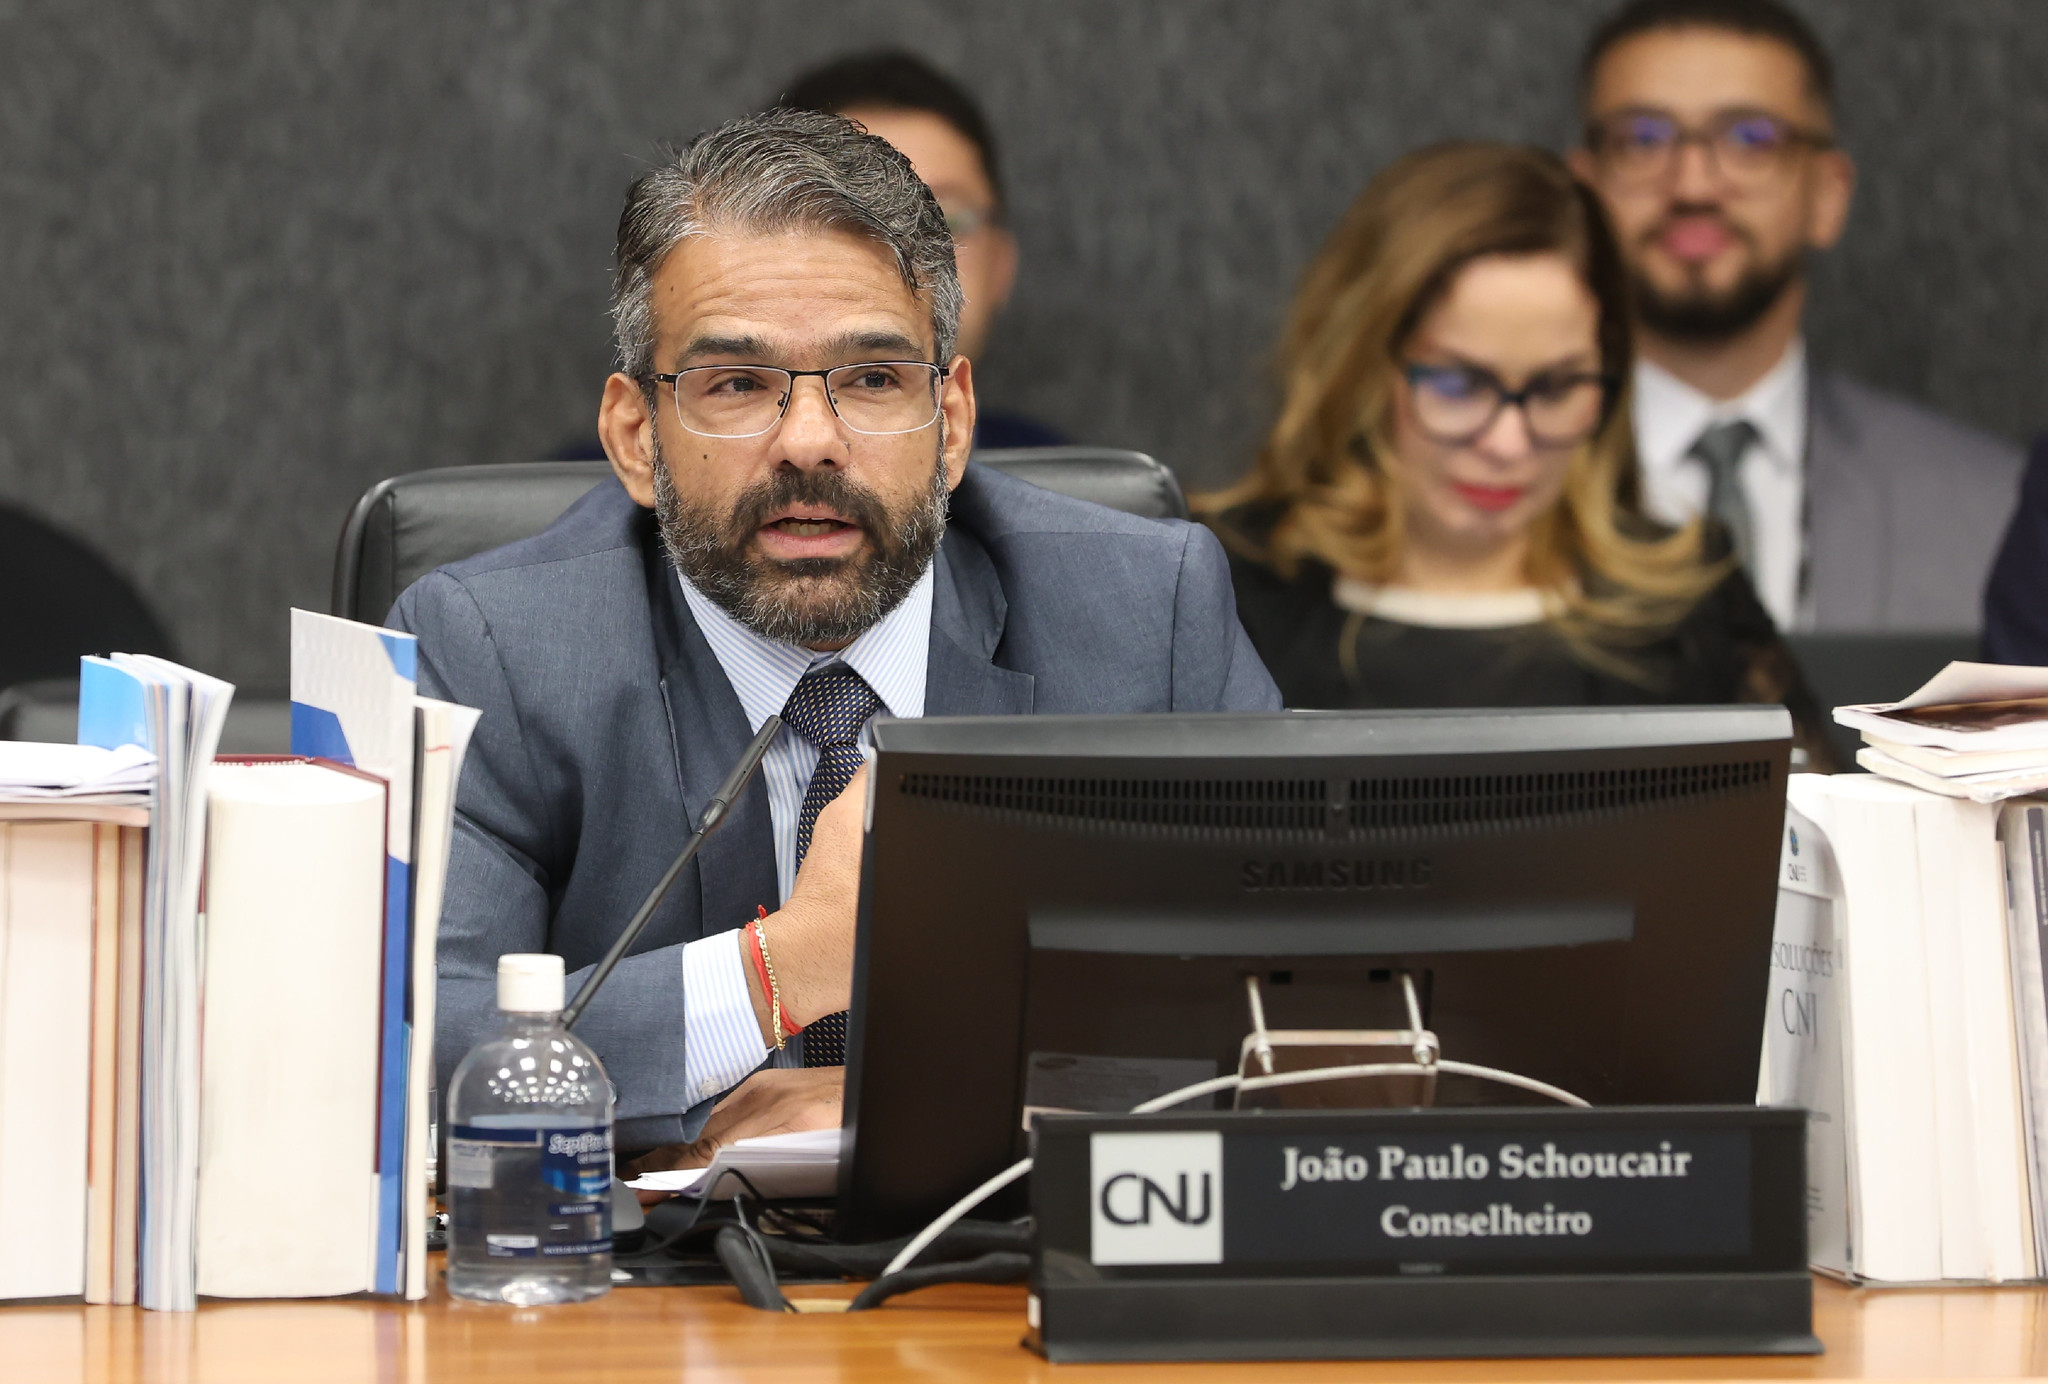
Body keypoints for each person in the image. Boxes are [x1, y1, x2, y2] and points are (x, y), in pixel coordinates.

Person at [391, 109, 1278, 1163]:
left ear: (952, 423)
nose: (809, 443)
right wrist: (779, 972)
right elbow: (401, 1050)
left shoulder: (1148, 615)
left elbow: (1295, 1009)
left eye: (871, 379)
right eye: (736, 384)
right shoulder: (490, 649)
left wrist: (944, 1105)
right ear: (634, 438)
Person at [1201, 142, 1835, 767]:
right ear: (1361, 370)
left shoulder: (1689, 606)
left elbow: (1823, 825)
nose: (1508, 445)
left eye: (1556, 388)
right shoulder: (1217, 595)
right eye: (1459, 384)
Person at [1568, 0, 2019, 634]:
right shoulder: (1471, 492)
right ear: (1582, 191)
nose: (1693, 185)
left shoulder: (1995, 508)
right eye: (1642, 139)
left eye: (1750, 139)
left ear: (1828, 194)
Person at [779, 50, 1065, 449]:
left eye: (947, 220)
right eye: (860, 217)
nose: (910, 253)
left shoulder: (1063, 477)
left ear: (1001, 265)